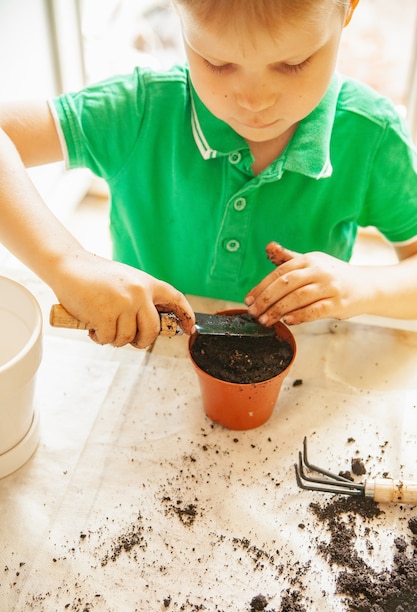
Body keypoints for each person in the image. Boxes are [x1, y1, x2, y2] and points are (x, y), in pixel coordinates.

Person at [1, 0, 417, 350]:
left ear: (347, 8)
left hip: (302, 376)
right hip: (148, 363)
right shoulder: (142, 110)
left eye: (293, 63)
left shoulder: (371, 137)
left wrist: (363, 287)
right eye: (218, 63)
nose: (255, 101)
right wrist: (67, 264)